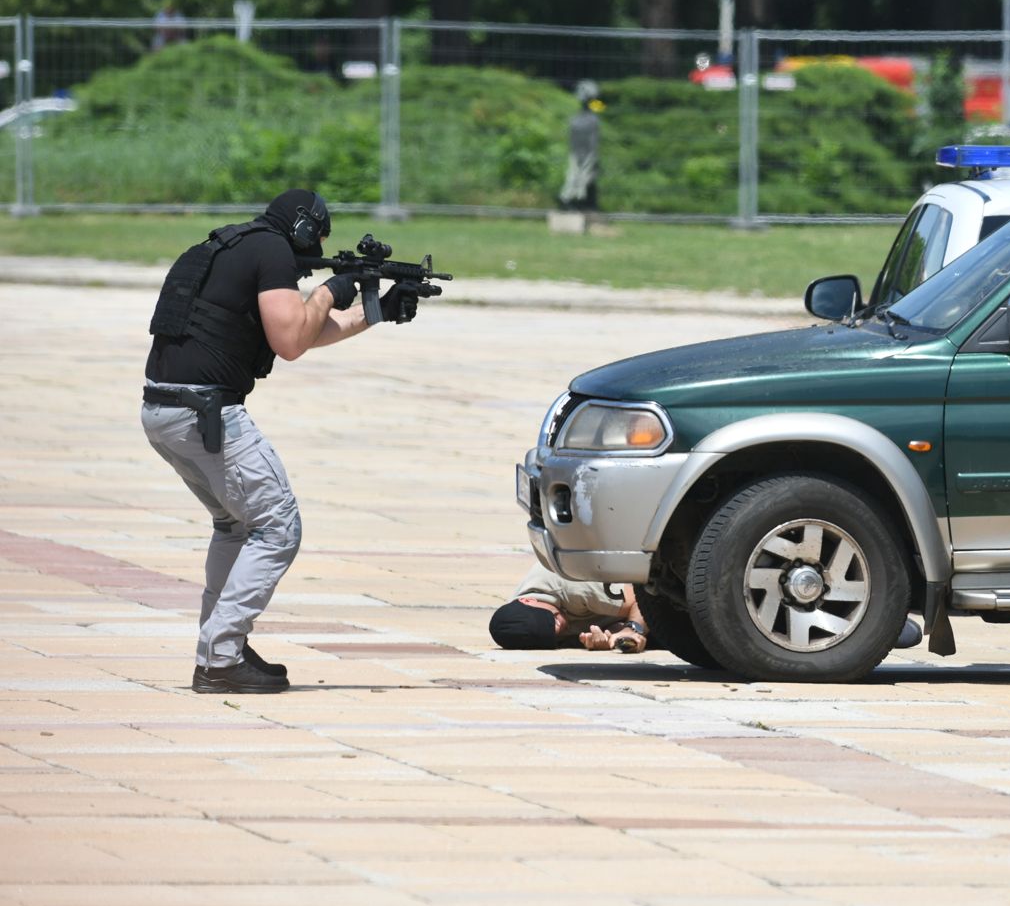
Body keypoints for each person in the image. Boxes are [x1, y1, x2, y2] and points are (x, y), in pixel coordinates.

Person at [141, 189, 424, 694]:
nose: (314, 250)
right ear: (301, 227)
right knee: (277, 527)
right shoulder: (271, 249)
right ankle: (221, 658)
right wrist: (334, 288)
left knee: (235, 526)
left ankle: (222, 646)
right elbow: (292, 341)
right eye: (317, 237)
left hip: (166, 411)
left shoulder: (233, 247)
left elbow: (290, 331)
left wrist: (372, 311)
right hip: (206, 412)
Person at [489, 562, 647, 653]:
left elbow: (642, 598)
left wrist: (631, 630)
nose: (559, 629)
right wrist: (608, 639)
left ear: (528, 601)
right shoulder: (529, 629)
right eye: (552, 635)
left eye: (551, 620)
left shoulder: (572, 585)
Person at [558, 80, 604, 212]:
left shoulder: (590, 115)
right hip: (580, 153)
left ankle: (584, 203)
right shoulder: (580, 118)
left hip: (585, 152)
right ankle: (568, 201)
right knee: (576, 177)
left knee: (585, 178)